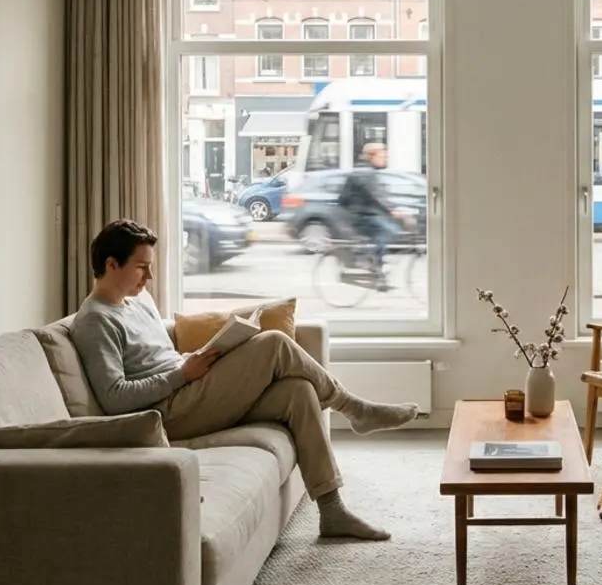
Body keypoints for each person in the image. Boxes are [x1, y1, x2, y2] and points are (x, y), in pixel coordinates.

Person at [68, 219, 425, 541]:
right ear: (111, 265)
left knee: (298, 392)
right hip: (167, 413)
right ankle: (353, 408)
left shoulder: (138, 300)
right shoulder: (95, 321)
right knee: (273, 343)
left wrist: (191, 360)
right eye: (141, 268)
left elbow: (155, 357)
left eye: (150, 268)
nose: (148, 279)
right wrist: (182, 374)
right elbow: (115, 398)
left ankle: (332, 511)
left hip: (186, 386)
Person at [338, 143, 412, 287]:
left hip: (363, 214)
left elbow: (380, 195)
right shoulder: (365, 173)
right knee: (387, 230)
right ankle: (375, 266)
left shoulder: (369, 172)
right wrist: (393, 211)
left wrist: (393, 209)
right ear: (372, 156)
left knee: (387, 230)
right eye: (382, 156)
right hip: (358, 216)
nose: (386, 159)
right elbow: (377, 196)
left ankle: (373, 262)